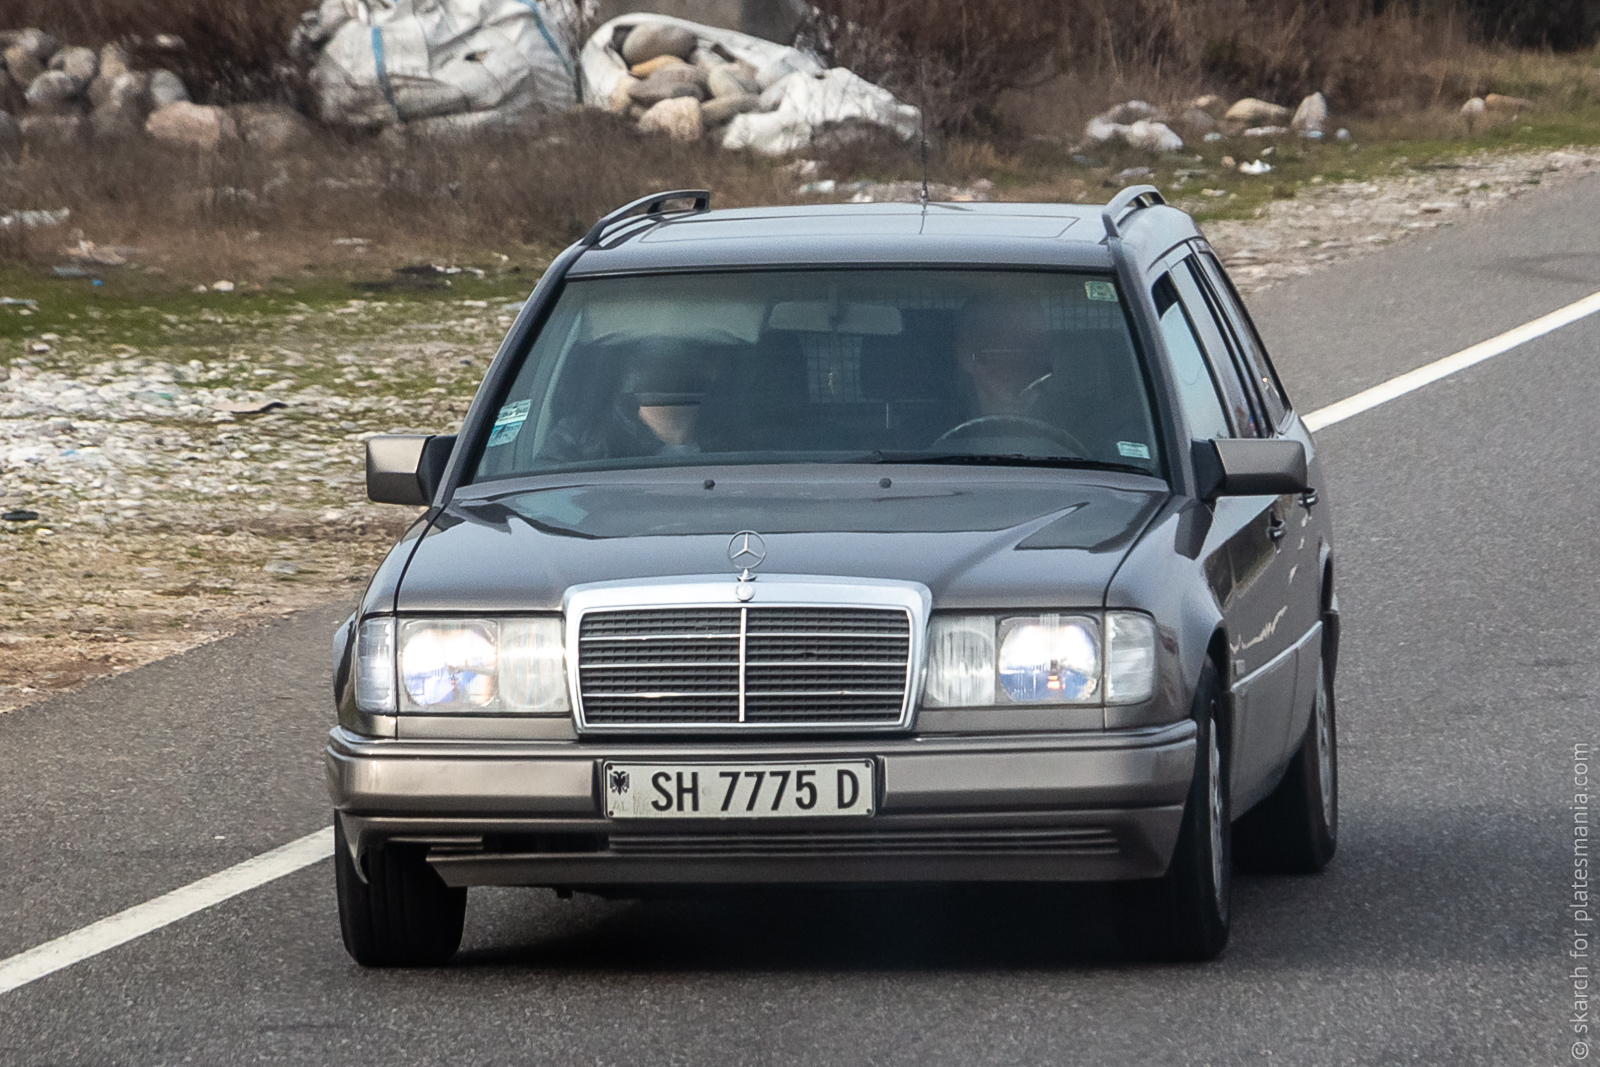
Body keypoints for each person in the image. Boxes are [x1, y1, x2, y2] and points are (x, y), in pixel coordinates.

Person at [542, 342, 714, 463]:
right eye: (648, 358)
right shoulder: (577, 439)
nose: (664, 369)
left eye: (677, 359)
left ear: (709, 370)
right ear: (628, 372)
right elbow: (546, 498)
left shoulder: (735, 434)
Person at [954, 297, 1055, 418]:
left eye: (1034, 351)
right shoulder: (930, 428)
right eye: (1001, 353)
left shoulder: (1077, 423)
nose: (1024, 382)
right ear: (966, 356)